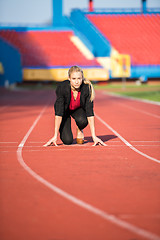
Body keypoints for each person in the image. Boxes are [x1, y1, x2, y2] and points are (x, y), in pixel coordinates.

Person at [44, 66, 106, 147]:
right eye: (74, 79)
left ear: (82, 78)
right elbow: (59, 112)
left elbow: (90, 112)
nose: (77, 82)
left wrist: (94, 136)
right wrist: (55, 136)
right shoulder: (62, 88)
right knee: (67, 141)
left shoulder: (87, 88)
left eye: (79, 78)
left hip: (78, 110)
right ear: (69, 78)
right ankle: (65, 132)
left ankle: (80, 129)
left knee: (83, 121)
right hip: (65, 112)